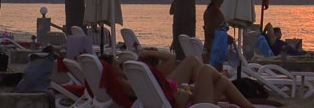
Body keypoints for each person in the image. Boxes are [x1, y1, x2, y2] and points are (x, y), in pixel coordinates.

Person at [108, 48, 258, 108]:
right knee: (206, 69)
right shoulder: (126, 83)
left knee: (221, 81)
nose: (119, 63)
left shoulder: (134, 80)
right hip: (193, 106)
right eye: (115, 63)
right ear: (109, 70)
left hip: (192, 101)